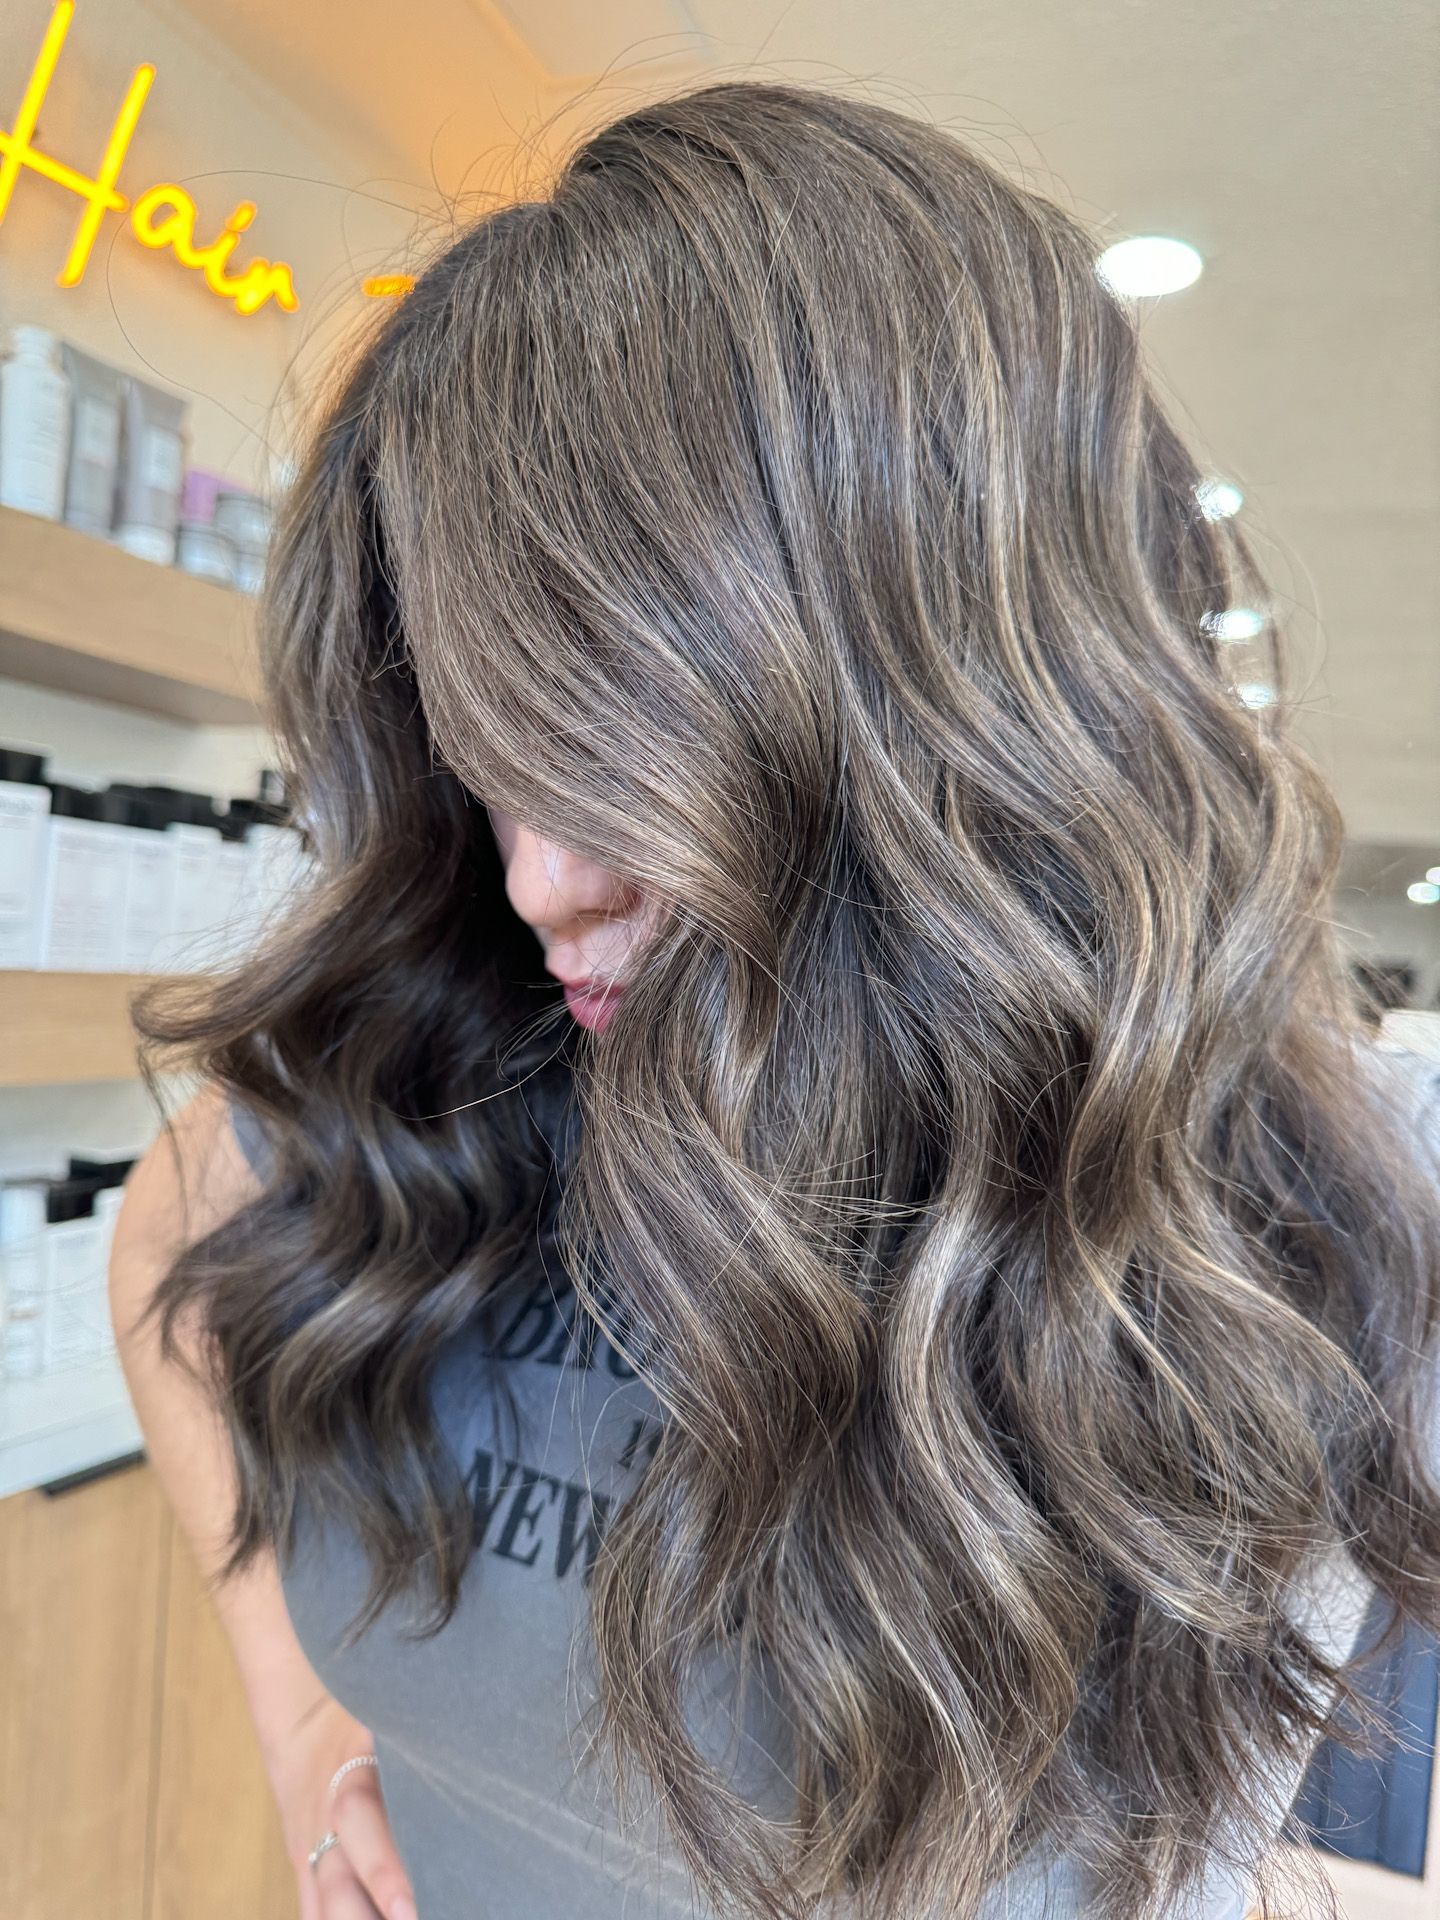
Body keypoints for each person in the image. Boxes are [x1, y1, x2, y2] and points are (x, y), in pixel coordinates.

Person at [107, 78, 1440, 1920]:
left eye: (609, 742)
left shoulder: (1335, 1229)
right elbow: (161, 1250)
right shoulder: (444, 1079)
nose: (531, 879)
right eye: (489, 755)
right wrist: (295, 1718)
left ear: (939, 686)